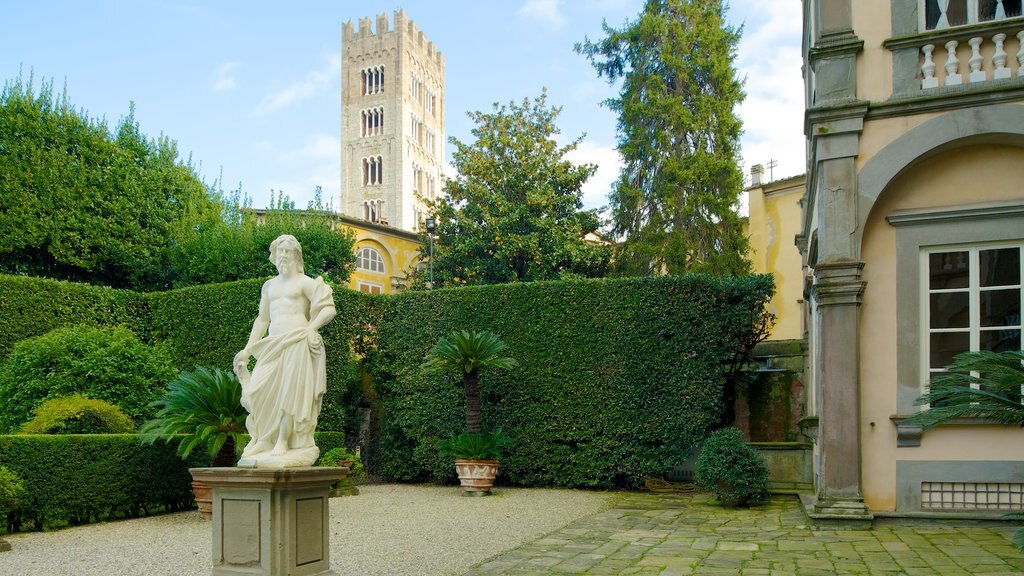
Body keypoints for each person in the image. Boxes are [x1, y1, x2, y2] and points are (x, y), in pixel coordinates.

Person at [233, 234, 336, 467]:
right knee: (258, 389)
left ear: (296, 256)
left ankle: (282, 440)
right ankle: (263, 438)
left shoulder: (305, 282)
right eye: (280, 253)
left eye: (287, 253)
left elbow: (328, 309)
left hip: (296, 341)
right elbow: (261, 320)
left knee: (289, 392)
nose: (283, 256)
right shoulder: (269, 286)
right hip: (272, 344)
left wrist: (311, 329)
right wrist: (248, 350)